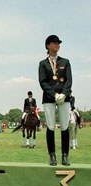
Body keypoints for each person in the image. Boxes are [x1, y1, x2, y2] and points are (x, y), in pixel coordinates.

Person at [39, 35, 72, 166]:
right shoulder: (43, 64)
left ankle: (65, 155)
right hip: (48, 98)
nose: (57, 45)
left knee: (64, 126)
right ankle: (52, 155)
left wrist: (63, 94)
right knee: (51, 126)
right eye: (54, 43)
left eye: (58, 43)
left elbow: (69, 80)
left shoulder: (65, 62)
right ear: (48, 46)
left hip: (65, 98)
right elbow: (42, 82)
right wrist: (54, 95)